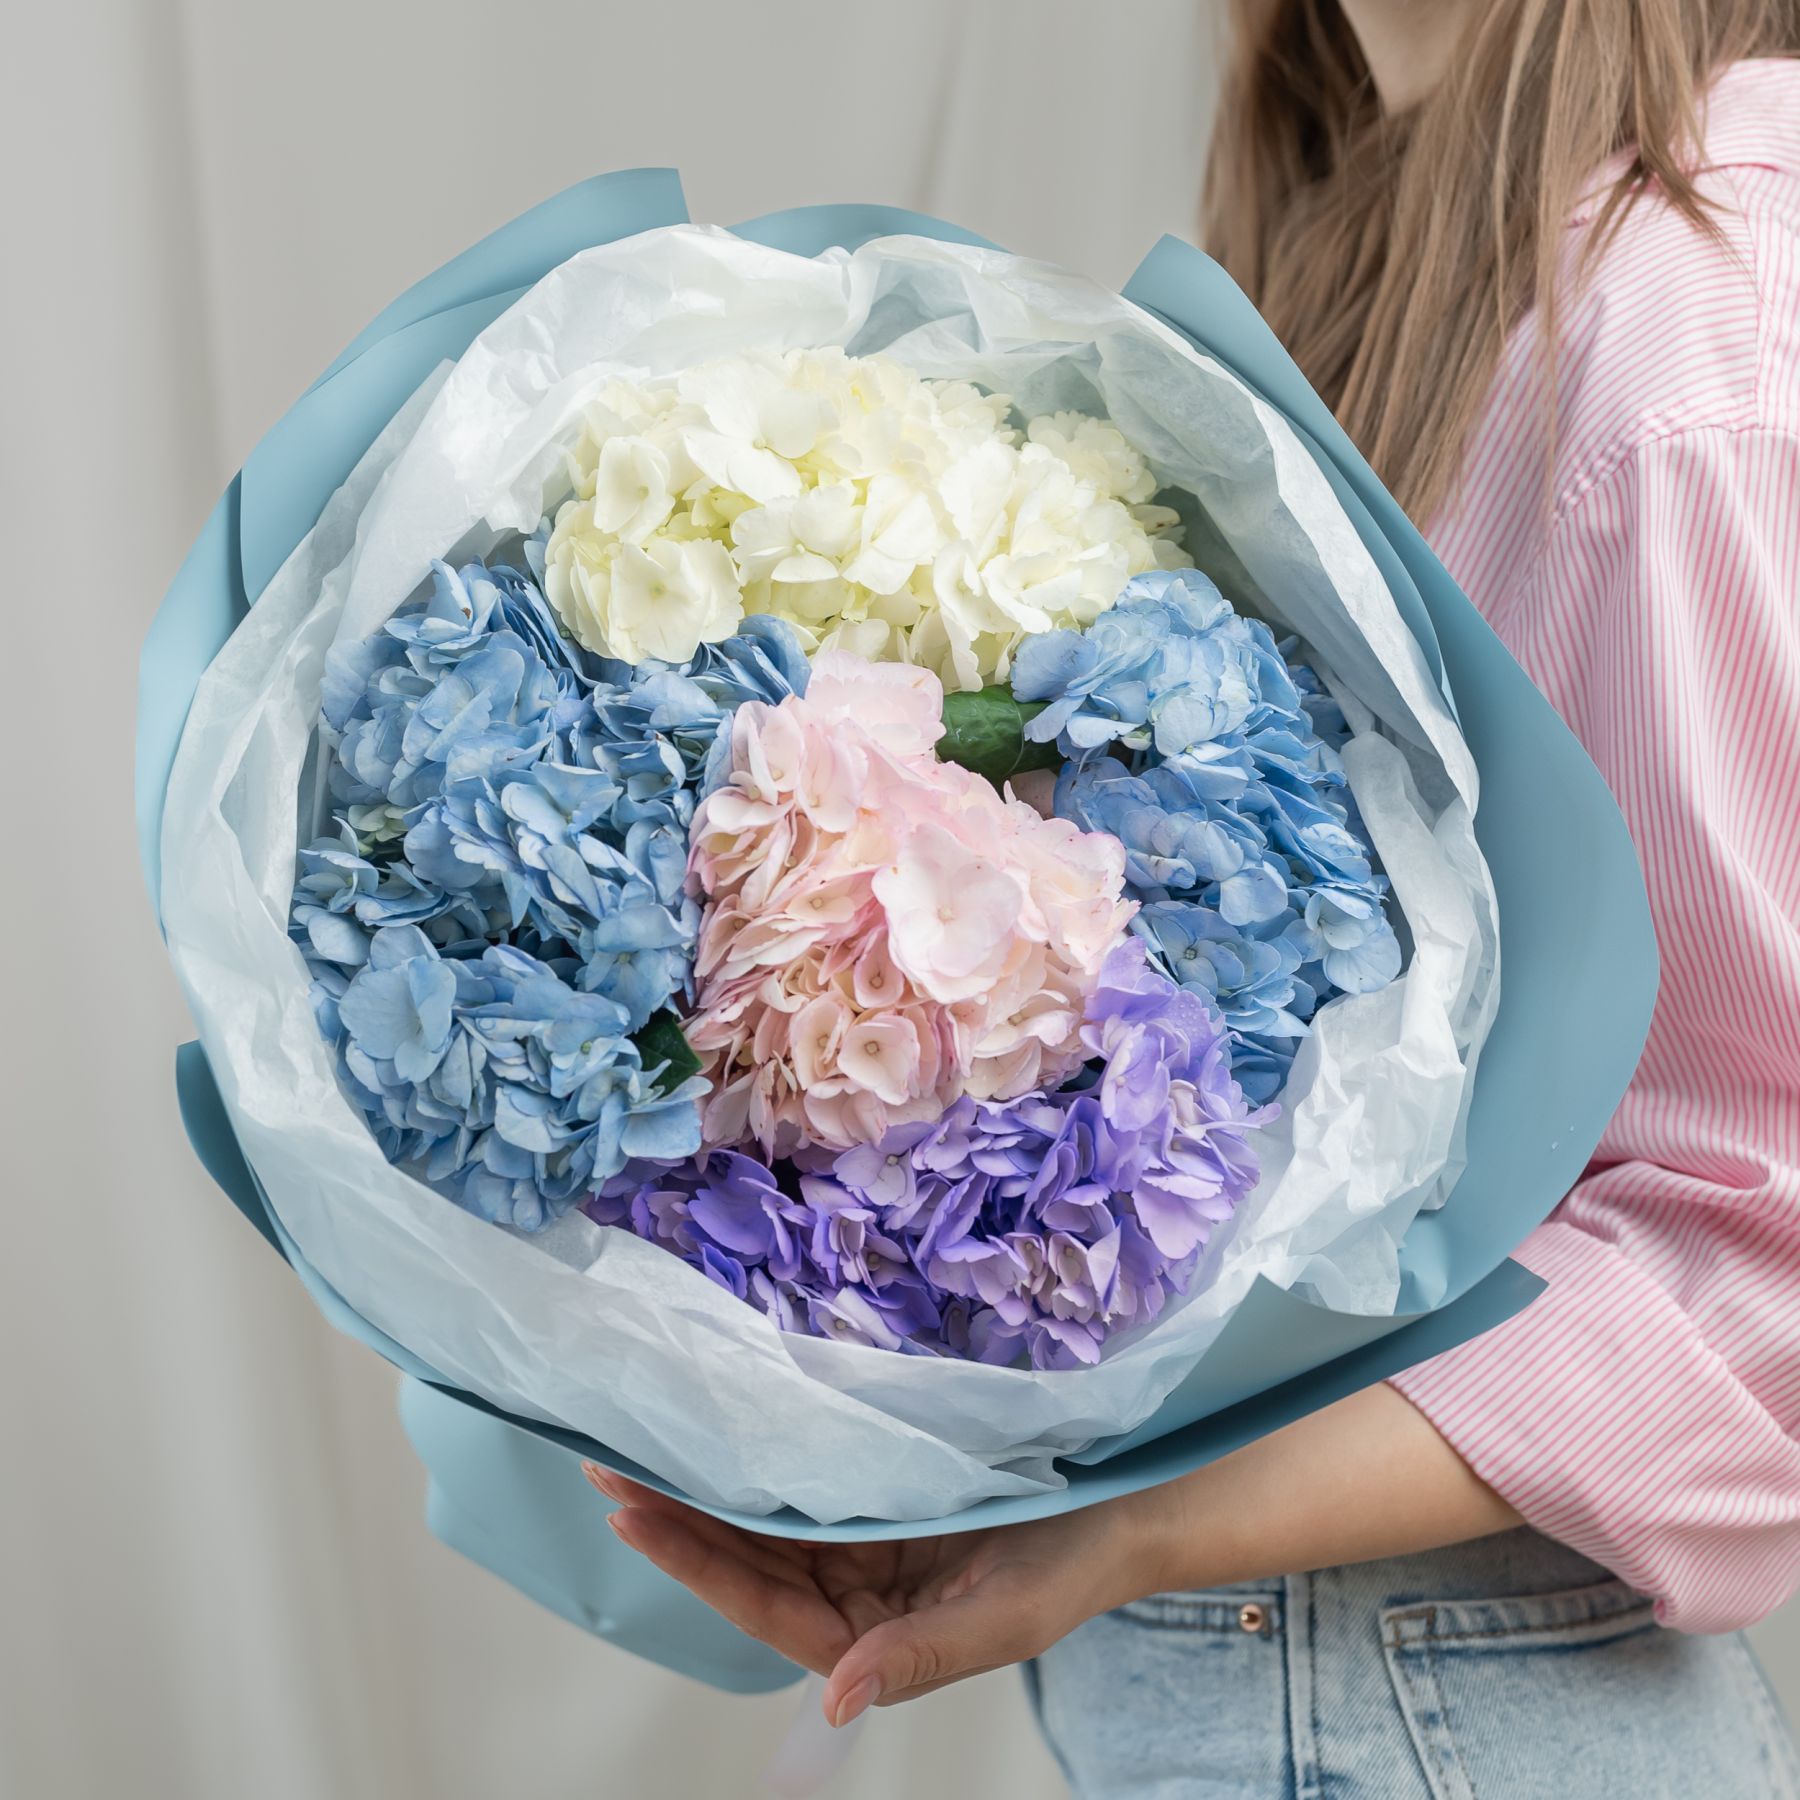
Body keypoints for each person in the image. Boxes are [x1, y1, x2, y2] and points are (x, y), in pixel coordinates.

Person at [586, 3, 1800, 1790]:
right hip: (1316, 1690)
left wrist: (1136, 1526)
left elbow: (1766, 1258)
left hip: (1409, 1699)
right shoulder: (1393, 236)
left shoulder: (1686, 316)